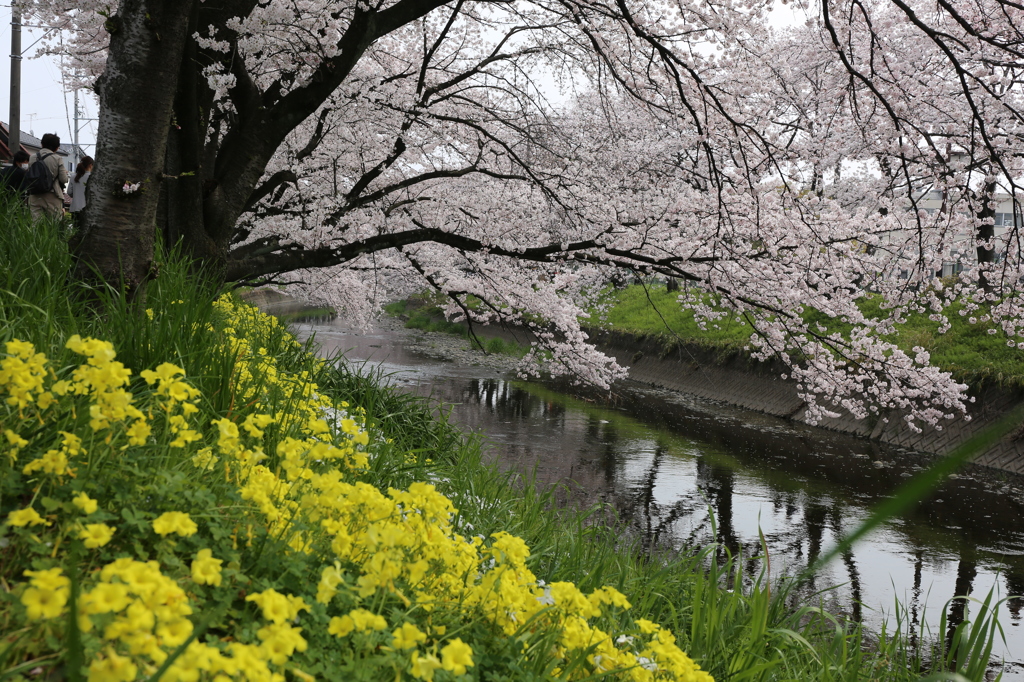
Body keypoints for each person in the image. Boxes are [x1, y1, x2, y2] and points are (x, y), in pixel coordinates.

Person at [27, 133, 68, 221]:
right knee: (54, 224)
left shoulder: (32, 157)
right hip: (52, 194)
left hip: (35, 194)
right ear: (57, 147)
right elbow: (63, 179)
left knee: (35, 224)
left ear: (41, 144)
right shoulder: (57, 158)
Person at [68, 155, 93, 228]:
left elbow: (69, 192)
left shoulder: (73, 176)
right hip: (88, 208)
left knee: (76, 230)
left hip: (75, 208)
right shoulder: (92, 177)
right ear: (90, 165)